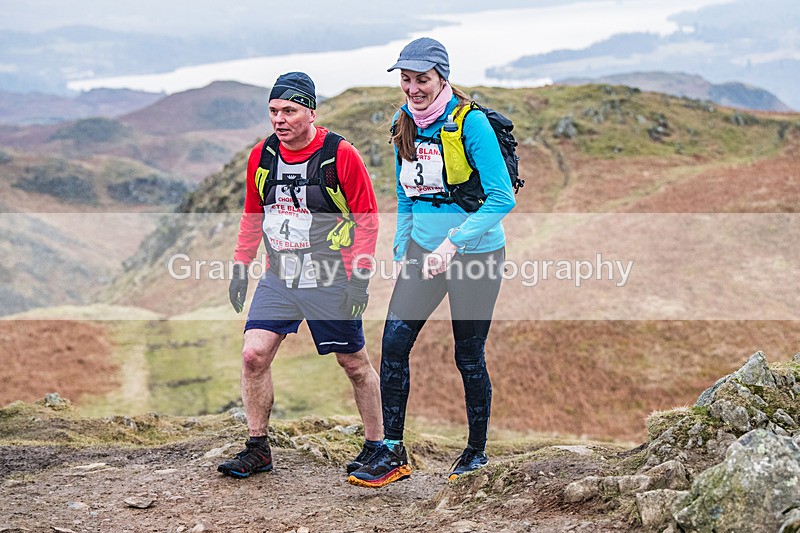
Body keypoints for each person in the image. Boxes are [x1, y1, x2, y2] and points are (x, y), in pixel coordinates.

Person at [348, 38, 516, 488]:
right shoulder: (403, 121)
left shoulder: (471, 123)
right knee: (394, 346)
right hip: (423, 255)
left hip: (475, 255)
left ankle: (476, 452)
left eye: (422, 79)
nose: (413, 88)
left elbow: (502, 198)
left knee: (468, 355)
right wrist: (404, 248)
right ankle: (392, 452)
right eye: (406, 79)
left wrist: (454, 244)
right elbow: (405, 192)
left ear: (442, 77)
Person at [219, 71, 383, 478]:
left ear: (310, 111)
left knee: (354, 363)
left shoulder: (340, 155)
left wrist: (360, 276)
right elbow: (253, 214)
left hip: (329, 275)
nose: (279, 119)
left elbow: (367, 219)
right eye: (273, 111)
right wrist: (241, 266)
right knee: (253, 354)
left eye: (289, 110)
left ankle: (378, 447)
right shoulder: (262, 155)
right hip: (279, 276)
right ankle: (258, 448)